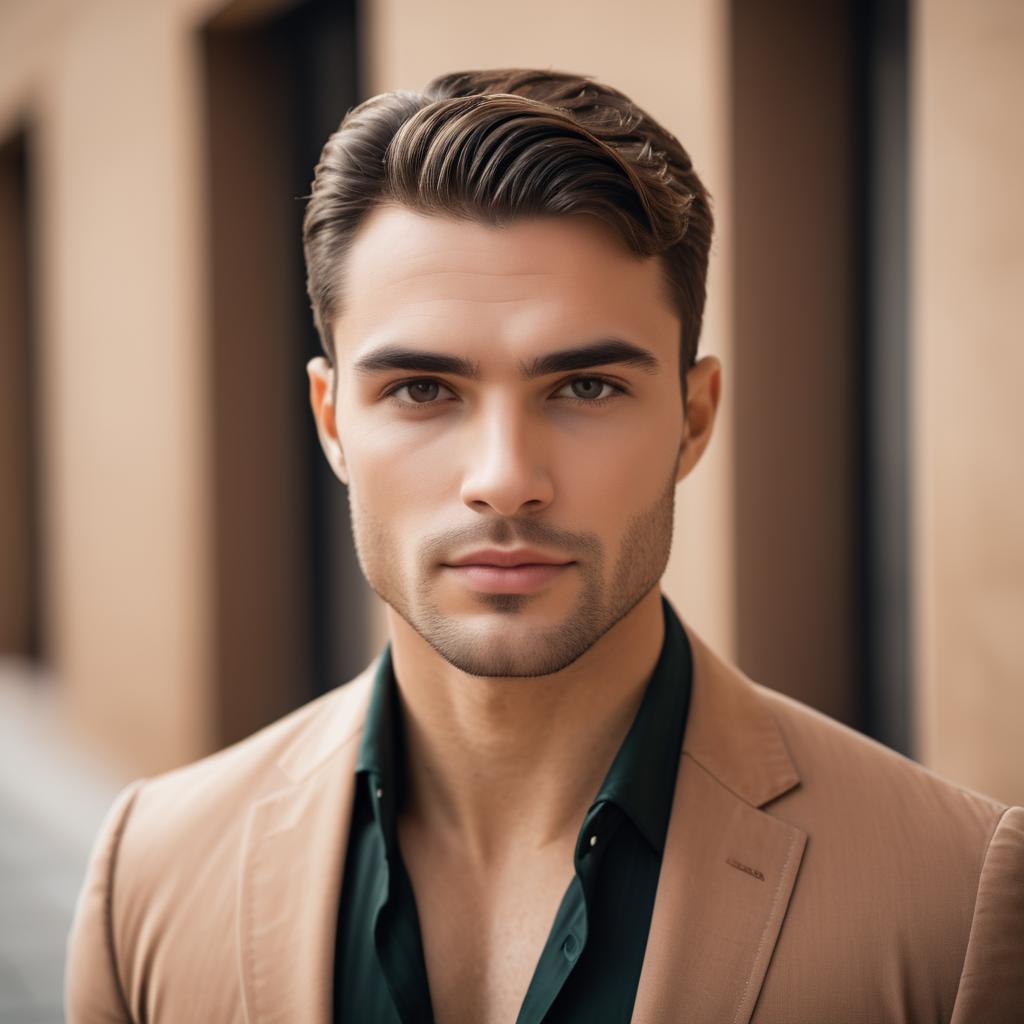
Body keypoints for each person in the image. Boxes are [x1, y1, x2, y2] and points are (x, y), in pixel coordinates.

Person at [66, 67, 1022, 1024]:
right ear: (331, 423)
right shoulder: (147, 877)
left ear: (693, 420)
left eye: (586, 387)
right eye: (422, 390)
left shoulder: (954, 900)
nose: (505, 476)